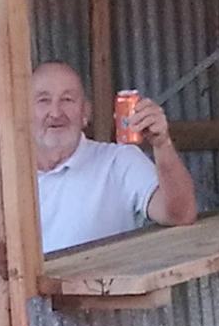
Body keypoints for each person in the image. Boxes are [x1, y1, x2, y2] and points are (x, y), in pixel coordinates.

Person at [31, 63, 199, 252]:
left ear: (85, 112)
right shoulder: (3, 176)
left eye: (67, 100)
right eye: (43, 100)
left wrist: (162, 144)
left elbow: (181, 214)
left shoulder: (119, 162)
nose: (55, 113)